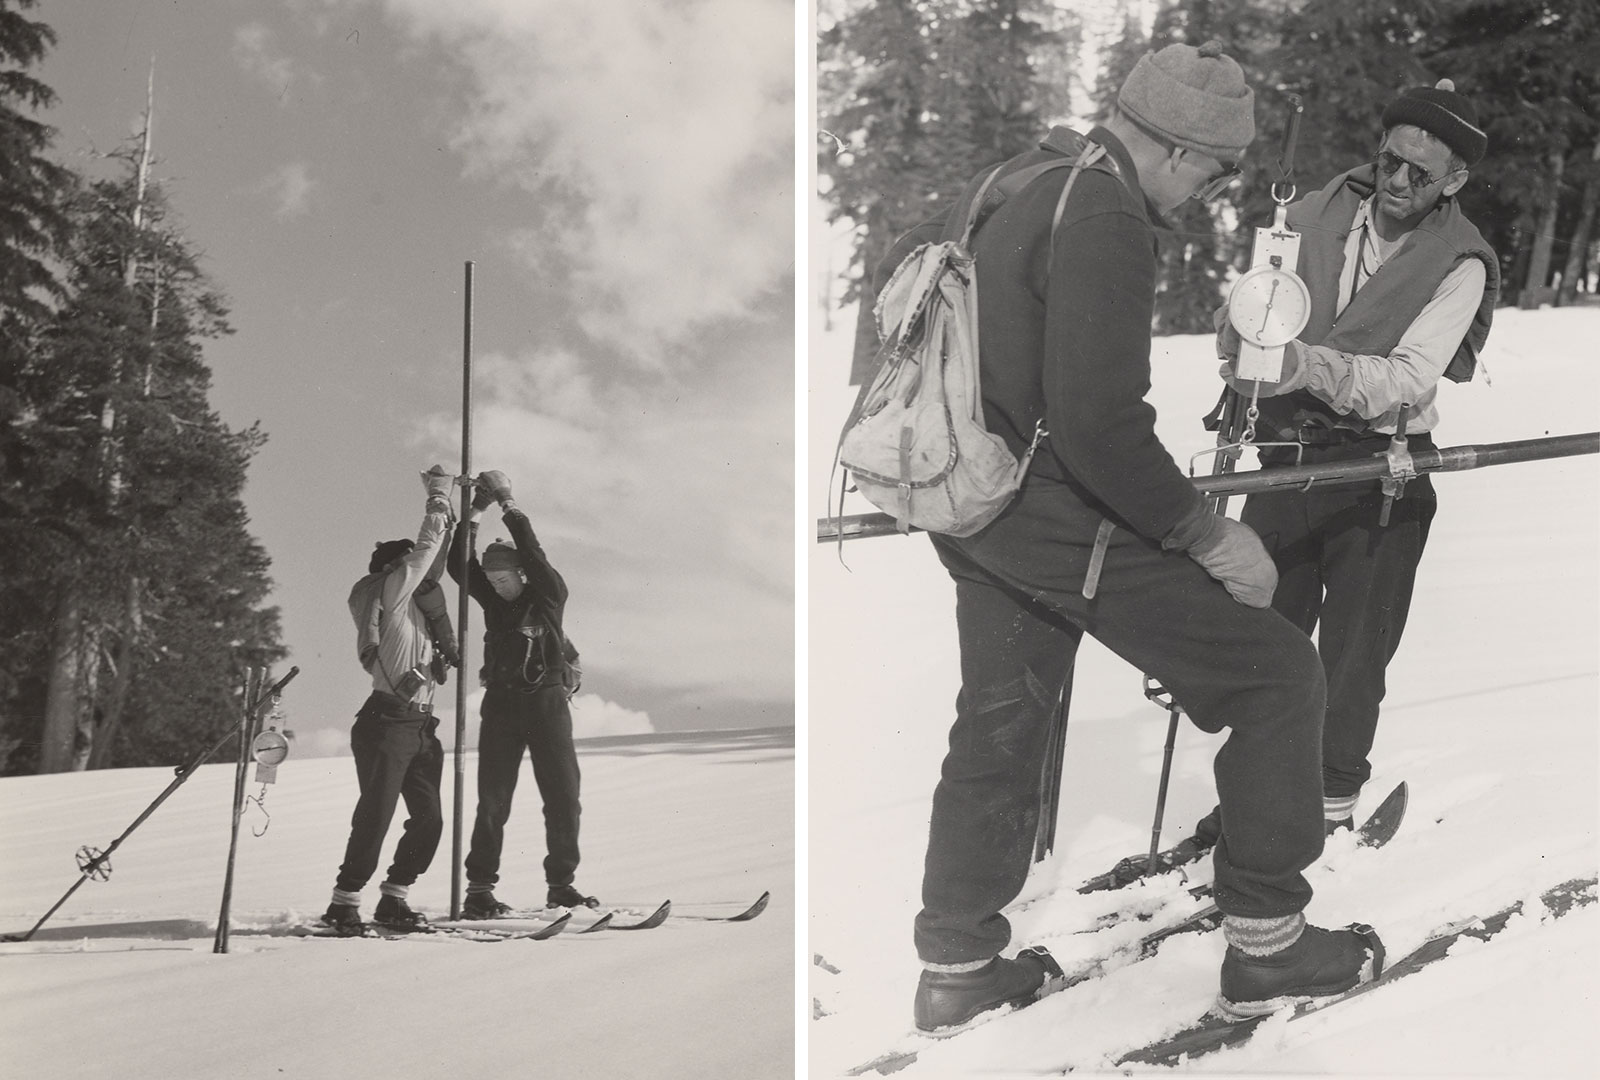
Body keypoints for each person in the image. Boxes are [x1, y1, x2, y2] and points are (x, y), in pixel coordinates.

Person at [875, 40, 1381, 1031]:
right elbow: (1101, 425)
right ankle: (1271, 948)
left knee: (999, 722)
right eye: (1216, 172)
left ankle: (958, 964)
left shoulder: (1024, 177)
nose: (1207, 193)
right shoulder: (1104, 213)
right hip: (1063, 519)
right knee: (1278, 677)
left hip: (976, 508)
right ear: (1185, 151)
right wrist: (1206, 536)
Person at [1201, 79, 1498, 838]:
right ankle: (1251, 797)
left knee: (1353, 656)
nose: (1396, 182)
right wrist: (1239, 339)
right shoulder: (1307, 219)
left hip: (1382, 470)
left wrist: (1304, 365)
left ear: (1454, 182)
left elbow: (1403, 378)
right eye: (1389, 161)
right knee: (1266, 637)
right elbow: (1251, 313)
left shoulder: (1459, 263)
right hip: (1285, 455)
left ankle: (1328, 807)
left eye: (1419, 174)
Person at [448, 468, 592, 917]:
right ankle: (479, 889)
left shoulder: (546, 596)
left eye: (503, 577)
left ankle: (561, 884)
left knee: (564, 797)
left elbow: (534, 554)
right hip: (503, 707)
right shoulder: (493, 604)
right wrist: (473, 512)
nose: (495, 584)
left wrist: (508, 504)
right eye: (490, 579)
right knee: (493, 801)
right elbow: (458, 566)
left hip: (547, 702)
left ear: (521, 574)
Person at [322, 465, 457, 933]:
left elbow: (430, 565)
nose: (420, 580)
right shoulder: (392, 593)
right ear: (392, 572)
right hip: (387, 722)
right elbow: (425, 554)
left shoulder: (411, 611)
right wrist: (439, 498)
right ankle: (344, 901)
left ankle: (394, 897)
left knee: (430, 819)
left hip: (419, 725)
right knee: (376, 816)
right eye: (410, 572)